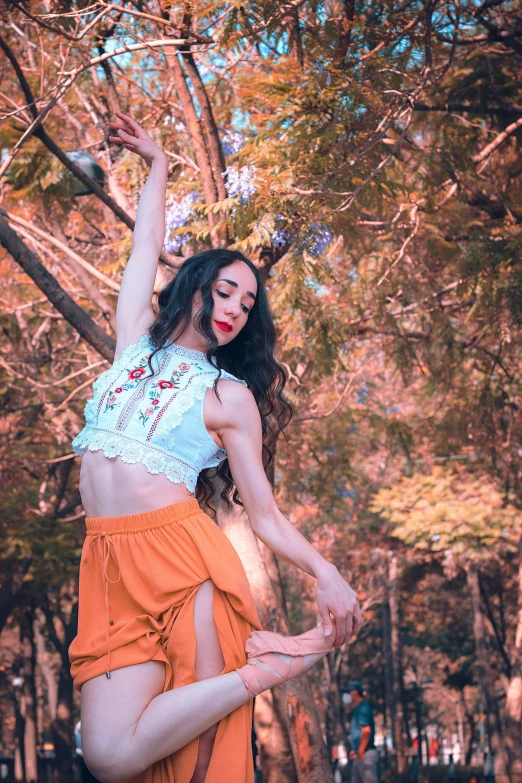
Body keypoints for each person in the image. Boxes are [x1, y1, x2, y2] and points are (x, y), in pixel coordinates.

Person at [67, 111, 363, 783]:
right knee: (111, 751)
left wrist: (328, 572)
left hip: (180, 560)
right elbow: (144, 249)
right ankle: (264, 667)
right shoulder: (134, 340)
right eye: (225, 288)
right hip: (105, 557)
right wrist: (159, 164)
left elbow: (264, 514)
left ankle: (266, 668)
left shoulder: (229, 396)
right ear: (195, 284)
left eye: (247, 302)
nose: (234, 305)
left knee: (175, 761)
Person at [343, 681, 379, 783]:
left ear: (355, 692)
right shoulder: (358, 709)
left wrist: (361, 751)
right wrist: (355, 750)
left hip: (366, 754)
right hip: (360, 754)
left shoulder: (363, 708)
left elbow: (366, 731)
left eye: (348, 692)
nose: (346, 695)